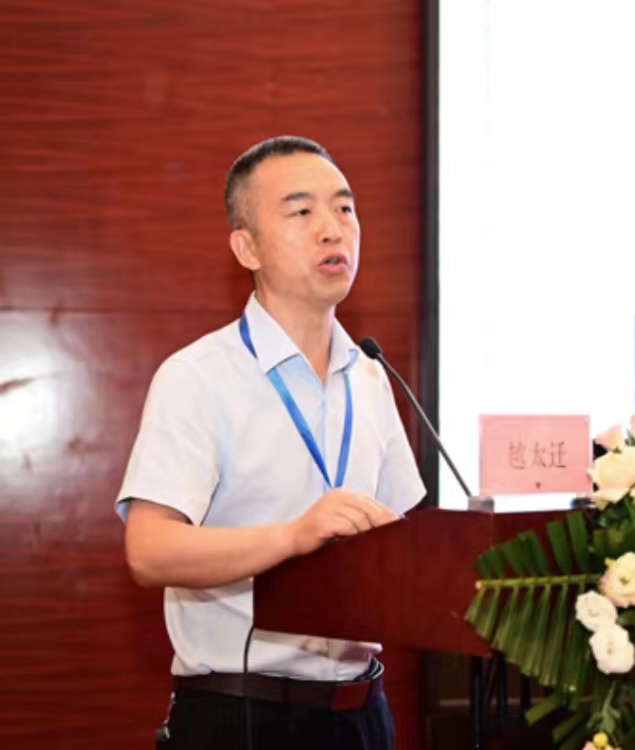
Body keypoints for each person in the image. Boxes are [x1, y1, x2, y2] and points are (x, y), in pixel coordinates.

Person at [115, 135, 426, 749]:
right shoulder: (199, 376)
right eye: (302, 211)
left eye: (344, 208)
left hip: (363, 714)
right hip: (245, 715)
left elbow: (404, 539)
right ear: (247, 247)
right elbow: (148, 551)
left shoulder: (370, 376)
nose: (333, 229)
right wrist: (292, 537)